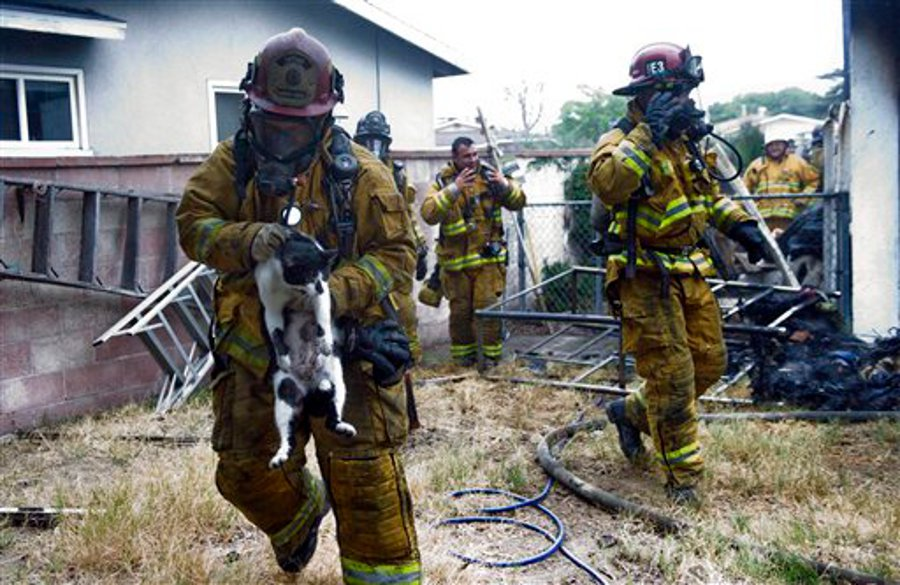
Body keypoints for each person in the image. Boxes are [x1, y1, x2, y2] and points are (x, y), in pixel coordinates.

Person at [176, 28, 421, 581]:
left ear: (325, 119)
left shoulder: (364, 177)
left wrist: (333, 292)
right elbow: (193, 225)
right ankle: (300, 515)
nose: (282, 141)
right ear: (251, 110)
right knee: (244, 472)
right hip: (259, 353)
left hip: (348, 353)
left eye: (297, 128)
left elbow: (397, 255)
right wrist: (249, 239)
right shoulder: (229, 163)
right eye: (271, 126)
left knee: (367, 490)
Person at [589, 42, 771, 505]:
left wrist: (743, 228)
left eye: (690, 91)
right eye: (680, 91)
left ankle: (630, 411)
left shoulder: (686, 143)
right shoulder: (622, 140)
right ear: (652, 93)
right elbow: (609, 184)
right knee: (671, 377)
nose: (690, 101)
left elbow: (707, 198)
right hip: (644, 275)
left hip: (689, 270)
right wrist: (648, 133)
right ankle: (683, 480)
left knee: (709, 364)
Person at [420, 136, 526, 366]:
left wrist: (505, 187)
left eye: (475, 155)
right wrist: (454, 190)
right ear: (455, 158)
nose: (472, 160)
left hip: (488, 263)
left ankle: (491, 363)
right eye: (466, 156)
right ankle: (463, 365)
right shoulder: (443, 181)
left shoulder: (490, 175)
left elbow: (519, 202)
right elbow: (428, 214)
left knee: (488, 313)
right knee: (459, 317)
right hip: (457, 268)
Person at [353, 111, 428, 362]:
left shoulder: (395, 174)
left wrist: (421, 248)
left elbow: (406, 216)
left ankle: (410, 364)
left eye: (379, 141)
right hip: (363, 257)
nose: (373, 148)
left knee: (406, 314)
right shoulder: (347, 171)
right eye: (367, 141)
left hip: (396, 256)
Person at [743, 127, 821, 235]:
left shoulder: (797, 162)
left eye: (778, 144)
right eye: (771, 145)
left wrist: (803, 198)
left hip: (789, 218)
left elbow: (813, 181)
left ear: (785, 145)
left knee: (787, 247)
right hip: (763, 219)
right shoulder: (756, 165)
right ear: (766, 147)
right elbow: (743, 189)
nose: (775, 148)